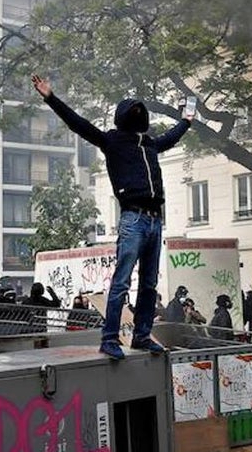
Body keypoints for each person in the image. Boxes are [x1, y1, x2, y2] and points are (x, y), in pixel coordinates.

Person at [33, 73, 193, 359]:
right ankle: (110, 339)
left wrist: (186, 120)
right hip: (134, 219)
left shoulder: (149, 144)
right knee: (121, 282)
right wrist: (51, 98)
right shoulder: (113, 141)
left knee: (148, 284)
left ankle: (141, 336)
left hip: (154, 221)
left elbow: (172, 136)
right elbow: (79, 124)